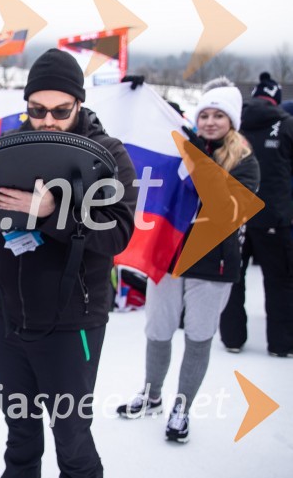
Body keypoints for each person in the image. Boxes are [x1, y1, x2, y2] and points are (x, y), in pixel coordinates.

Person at [0, 48, 138, 477]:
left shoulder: (109, 154)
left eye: (60, 110)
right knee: (20, 433)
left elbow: (119, 232)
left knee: (71, 439)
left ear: (80, 104)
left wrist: (51, 212)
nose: (48, 120)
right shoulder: (10, 146)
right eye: (37, 109)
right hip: (10, 320)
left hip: (72, 324)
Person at [117, 77, 260, 443]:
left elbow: (223, 208)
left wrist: (195, 156)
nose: (210, 121)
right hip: (169, 258)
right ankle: (151, 395)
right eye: (205, 114)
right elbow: (152, 126)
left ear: (232, 121)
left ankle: (181, 407)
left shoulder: (246, 162)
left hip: (214, 265)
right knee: (158, 331)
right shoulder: (184, 146)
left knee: (198, 338)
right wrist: (137, 95)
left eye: (219, 115)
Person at [220, 72, 293, 357]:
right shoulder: (287, 125)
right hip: (274, 217)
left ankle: (232, 339)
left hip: (234, 215)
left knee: (233, 278)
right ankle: (282, 344)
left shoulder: (232, 124)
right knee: (280, 280)